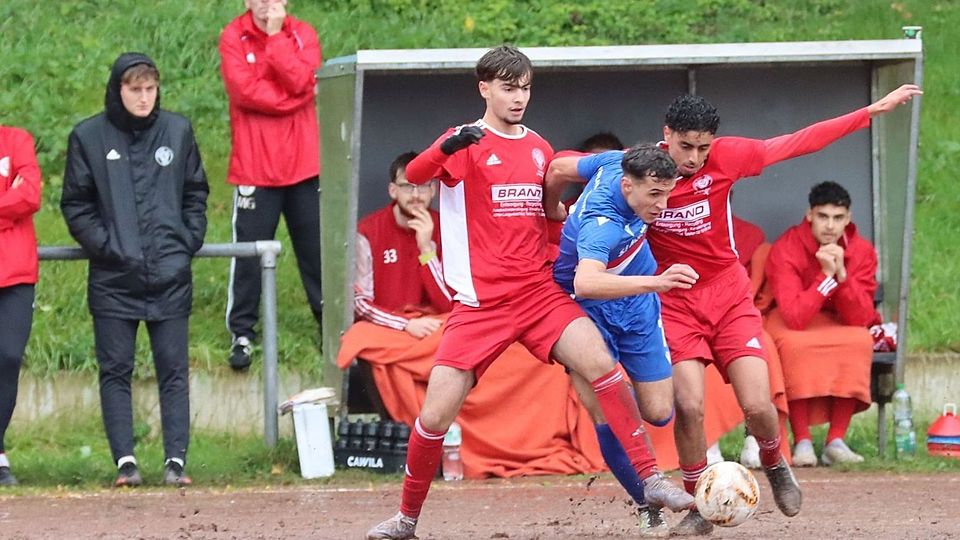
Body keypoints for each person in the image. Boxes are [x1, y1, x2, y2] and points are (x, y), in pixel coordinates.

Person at [365, 45, 692, 540]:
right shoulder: (463, 141)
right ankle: (406, 519)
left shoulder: (539, 147)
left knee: (601, 364)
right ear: (485, 88)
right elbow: (415, 176)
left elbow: (551, 199)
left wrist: (566, 214)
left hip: (537, 293)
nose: (518, 97)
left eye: (524, 88)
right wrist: (446, 148)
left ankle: (650, 480)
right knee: (433, 417)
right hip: (479, 306)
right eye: (507, 87)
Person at [648, 84, 921, 535]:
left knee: (758, 404)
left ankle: (775, 464)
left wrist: (869, 111)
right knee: (689, 405)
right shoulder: (644, 168)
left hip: (727, 295)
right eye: (685, 147)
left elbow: (798, 142)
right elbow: (585, 181)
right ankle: (699, 504)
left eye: (703, 148)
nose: (694, 158)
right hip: (674, 301)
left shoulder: (728, 157)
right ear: (666, 135)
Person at [61, 52, 209, 487]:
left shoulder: (178, 131)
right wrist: (106, 247)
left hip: (170, 273)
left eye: (150, 89)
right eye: (134, 89)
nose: (144, 98)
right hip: (113, 277)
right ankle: (125, 461)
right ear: (118, 90)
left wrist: (186, 242)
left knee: (173, 369)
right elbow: (75, 203)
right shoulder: (88, 136)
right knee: (115, 369)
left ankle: (176, 462)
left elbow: (196, 192)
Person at [545, 143, 699, 535]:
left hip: (634, 303)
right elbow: (586, 280)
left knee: (659, 411)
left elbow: (559, 166)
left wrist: (552, 208)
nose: (663, 204)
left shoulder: (619, 159)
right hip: (583, 307)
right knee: (610, 412)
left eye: (668, 192)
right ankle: (646, 503)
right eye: (654, 195)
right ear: (627, 186)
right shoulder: (603, 221)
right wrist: (660, 281)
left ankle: (648, 477)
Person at [219, 0, 323, 371]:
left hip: (304, 165)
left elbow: (304, 81)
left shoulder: (302, 33)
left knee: (317, 251)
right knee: (247, 256)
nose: (266, 6)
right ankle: (242, 333)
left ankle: (329, 327)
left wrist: (277, 39)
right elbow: (245, 92)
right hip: (255, 165)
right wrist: (292, 96)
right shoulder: (233, 36)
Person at [764, 181, 879, 466]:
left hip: (837, 320)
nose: (830, 226)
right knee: (793, 345)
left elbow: (861, 318)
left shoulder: (862, 251)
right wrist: (825, 278)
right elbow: (795, 317)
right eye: (823, 216)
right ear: (809, 215)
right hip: (793, 320)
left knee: (859, 340)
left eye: (838, 218)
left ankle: (835, 440)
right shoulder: (787, 247)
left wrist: (841, 275)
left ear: (848, 219)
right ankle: (802, 439)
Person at [354, 151, 451, 336]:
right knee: (359, 336)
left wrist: (426, 250)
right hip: (389, 327)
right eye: (407, 186)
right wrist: (405, 324)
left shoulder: (447, 228)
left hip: (435, 328)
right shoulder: (368, 231)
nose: (415, 195)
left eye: (422, 186)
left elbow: (449, 304)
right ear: (393, 190)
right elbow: (360, 302)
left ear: (433, 189)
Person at [0, 126, 42, 487]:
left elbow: (29, 195)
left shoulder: (16, 141)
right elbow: (15, 201)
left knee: (9, 357)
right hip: (11, 243)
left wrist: (14, 199)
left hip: (14, 272)